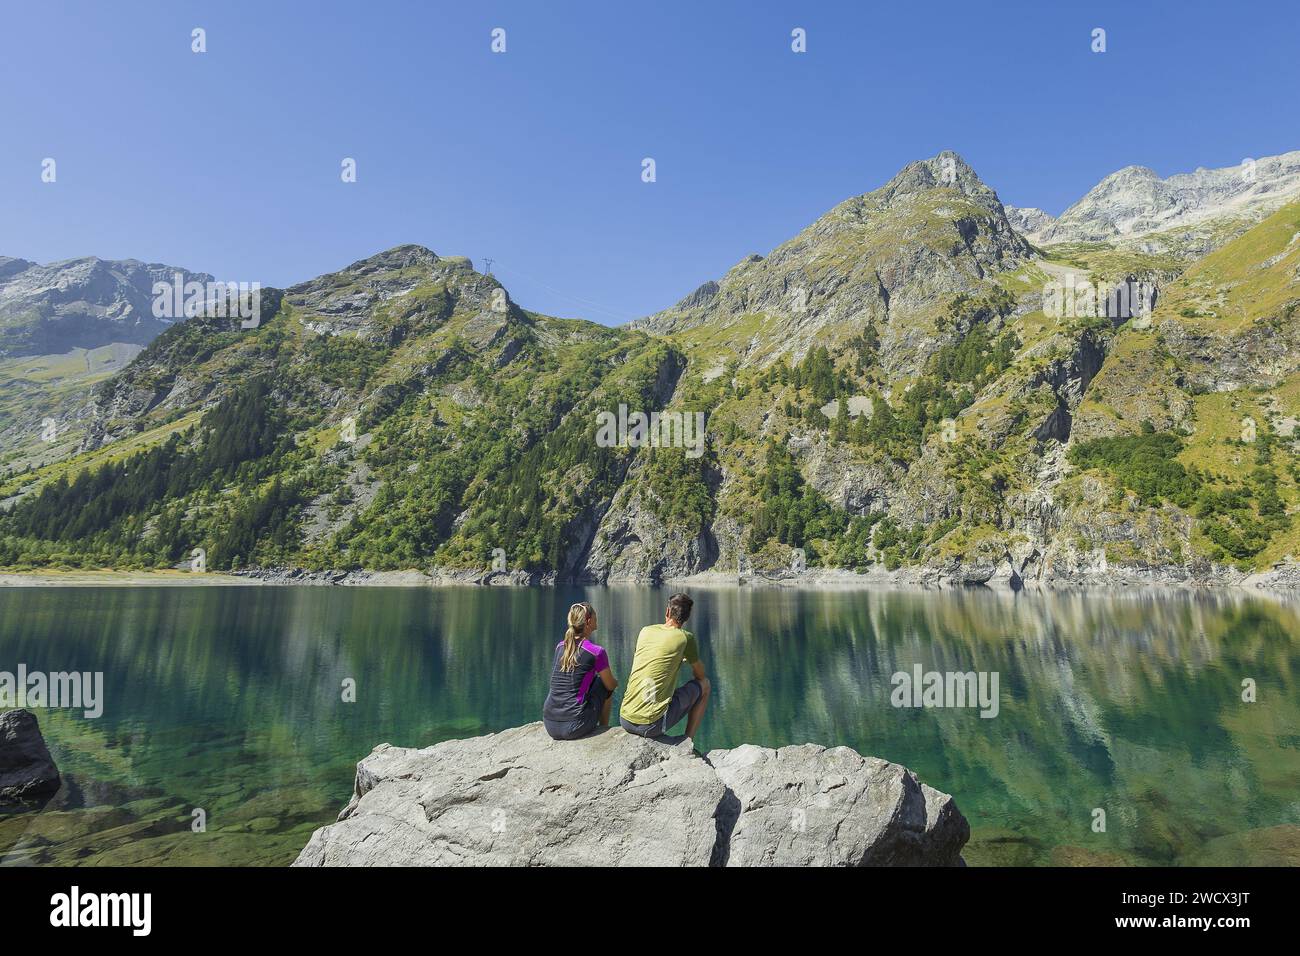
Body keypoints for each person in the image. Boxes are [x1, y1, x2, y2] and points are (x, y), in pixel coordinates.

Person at [619, 592, 711, 739]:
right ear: (686, 618)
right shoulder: (685, 637)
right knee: (705, 685)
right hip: (651, 726)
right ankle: (688, 740)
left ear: (667, 611)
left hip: (625, 718)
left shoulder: (646, 630)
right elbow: (700, 675)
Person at [542, 601, 617, 740]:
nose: (597, 618)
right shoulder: (596, 652)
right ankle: (603, 728)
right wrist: (615, 682)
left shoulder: (560, 647)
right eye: (595, 616)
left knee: (591, 682)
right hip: (574, 725)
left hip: (549, 724)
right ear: (588, 621)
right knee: (603, 684)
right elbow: (610, 685)